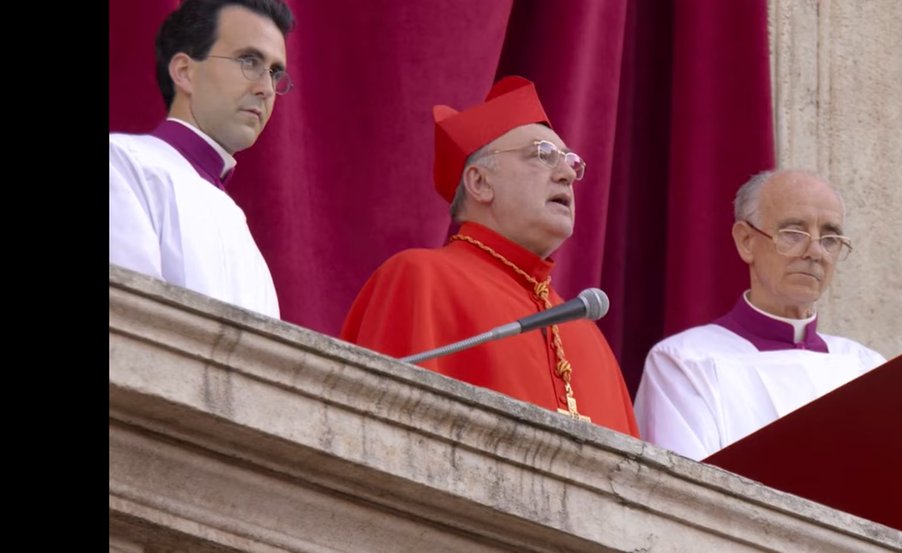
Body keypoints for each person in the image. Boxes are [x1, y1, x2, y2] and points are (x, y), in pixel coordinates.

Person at [633, 168, 902, 551]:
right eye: (793, 232)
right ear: (746, 241)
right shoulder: (685, 362)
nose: (814, 252)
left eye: (830, 238)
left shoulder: (871, 369)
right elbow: (681, 513)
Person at [340, 76, 639, 438]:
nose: (566, 175)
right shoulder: (419, 278)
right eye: (542, 155)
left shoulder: (588, 333)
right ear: (480, 182)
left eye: (572, 163)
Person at [109, 0, 295, 318]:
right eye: (249, 61)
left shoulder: (240, 231)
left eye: (275, 73)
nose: (266, 88)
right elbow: (131, 330)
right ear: (185, 72)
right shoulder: (123, 165)